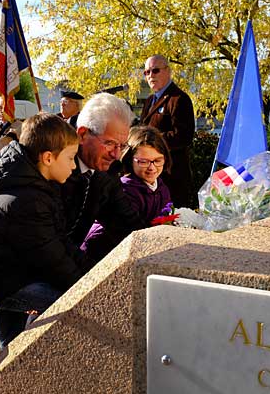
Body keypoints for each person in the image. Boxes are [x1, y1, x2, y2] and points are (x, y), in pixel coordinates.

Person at [0, 113, 87, 347]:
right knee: (69, 303)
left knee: (12, 343)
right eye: (70, 158)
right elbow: (53, 260)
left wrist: (93, 270)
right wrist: (89, 288)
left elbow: (59, 242)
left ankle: (16, 375)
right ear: (48, 158)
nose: (73, 165)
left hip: (8, 273)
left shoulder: (33, 185)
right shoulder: (27, 198)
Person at [61, 93, 148, 256]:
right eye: (109, 143)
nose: (116, 154)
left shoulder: (106, 172)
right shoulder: (53, 166)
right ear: (82, 135)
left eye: (121, 146)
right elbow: (51, 246)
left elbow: (127, 225)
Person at [81, 127, 172, 260]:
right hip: (103, 252)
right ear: (130, 159)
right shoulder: (124, 189)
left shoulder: (162, 189)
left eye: (157, 161)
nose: (152, 168)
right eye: (143, 162)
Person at [140, 54, 196, 207]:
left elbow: (183, 136)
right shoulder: (148, 101)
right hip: (150, 176)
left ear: (168, 71)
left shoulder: (179, 99)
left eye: (155, 70)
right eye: (147, 72)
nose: (150, 75)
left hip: (171, 177)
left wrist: (151, 142)